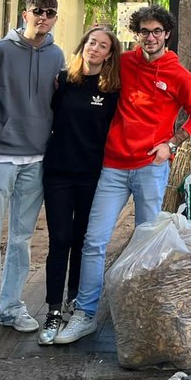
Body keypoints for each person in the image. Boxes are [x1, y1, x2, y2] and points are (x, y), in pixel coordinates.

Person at [55, 4, 191, 344]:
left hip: (150, 168)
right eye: (144, 32)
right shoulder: (124, 64)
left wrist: (174, 142)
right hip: (112, 165)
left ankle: (143, 310)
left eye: (157, 31)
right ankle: (85, 313)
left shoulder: (178, 74)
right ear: (136, 34)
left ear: (166, 33)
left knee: (146, 244)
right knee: (94, 241)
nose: (150, 37)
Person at [0, 0, 65, 345]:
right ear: (25, 13)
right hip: (0, 157)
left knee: (21, 240)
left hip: (36, 158)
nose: (43, 17)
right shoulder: (0, 51)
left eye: (50, 13)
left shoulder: (56, 55)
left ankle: (10, 307)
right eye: (38, 11)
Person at [37, 26, 121, 345]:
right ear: (83, 45)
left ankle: (76, 302)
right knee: (60, 239)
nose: (95, 49)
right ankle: (53, 311)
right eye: (91, 42)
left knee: (84, 241)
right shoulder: (63, 80)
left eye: (102, 46)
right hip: (58, 172)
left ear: (110, 54)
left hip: (92, 174)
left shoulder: (112, 89)